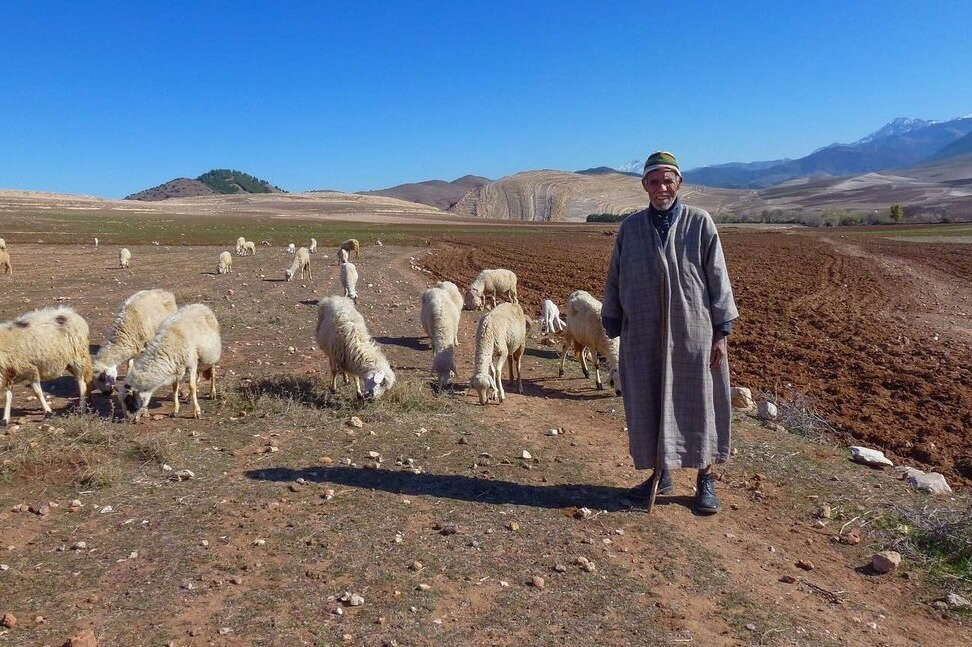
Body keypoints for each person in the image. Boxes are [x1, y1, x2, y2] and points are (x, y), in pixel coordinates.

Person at [601, 151, 738, 514]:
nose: (661, 187)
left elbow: (718, 277)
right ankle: (660, 475)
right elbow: (614, 276)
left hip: (694, 334)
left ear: (679, 183)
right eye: (654, 181)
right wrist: (611, 318)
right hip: (643, 333)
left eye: (668, 180)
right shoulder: (630, 229)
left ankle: (705, 479)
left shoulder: (700, 222)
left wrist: (721, 332)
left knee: (701, 402)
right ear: (644, 185)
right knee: (649, 403)